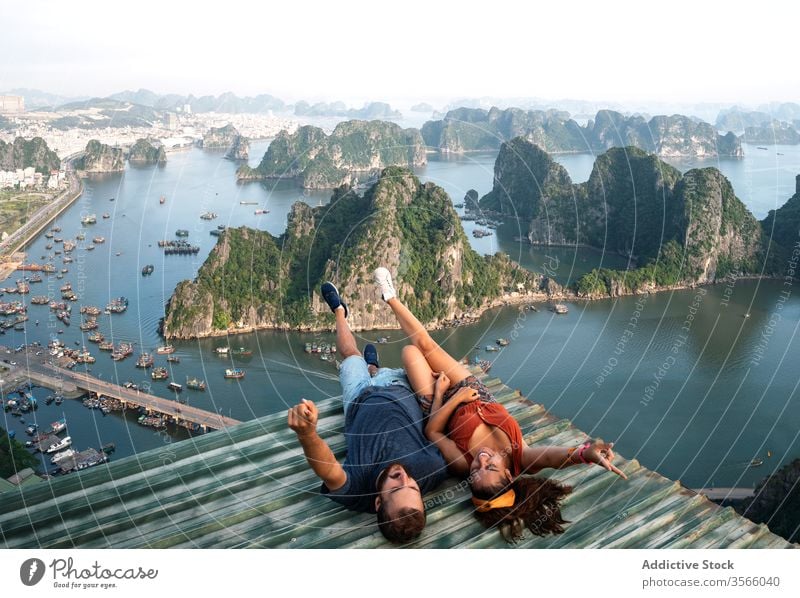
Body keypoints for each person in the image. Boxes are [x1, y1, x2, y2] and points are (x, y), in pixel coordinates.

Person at [373, 266, 628, 542]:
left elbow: (432, 432)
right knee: (424, 341)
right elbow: (553, 458)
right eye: (491, 467)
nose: (481, 461)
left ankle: (379, 368)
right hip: (476, 390)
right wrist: (584, 454)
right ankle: (390, 296)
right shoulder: (521, 457)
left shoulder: (462, 465)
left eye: (476, 471)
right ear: (508, 473)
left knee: (410, 352)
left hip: (442, 404)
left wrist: (442, 393)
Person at [287, 281, 447, 544]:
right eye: (413, 486)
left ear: (376, 503)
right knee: (377, 369)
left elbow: (329, 471)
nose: (404, 476)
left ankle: (339, 311)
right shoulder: (432, 470)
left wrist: (307, 434)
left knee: (350, 353)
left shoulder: (359, 490)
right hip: (396, 386)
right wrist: (439, 393)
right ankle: (373, 367)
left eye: (396, 486)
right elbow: (436, 427)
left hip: (358, 398)